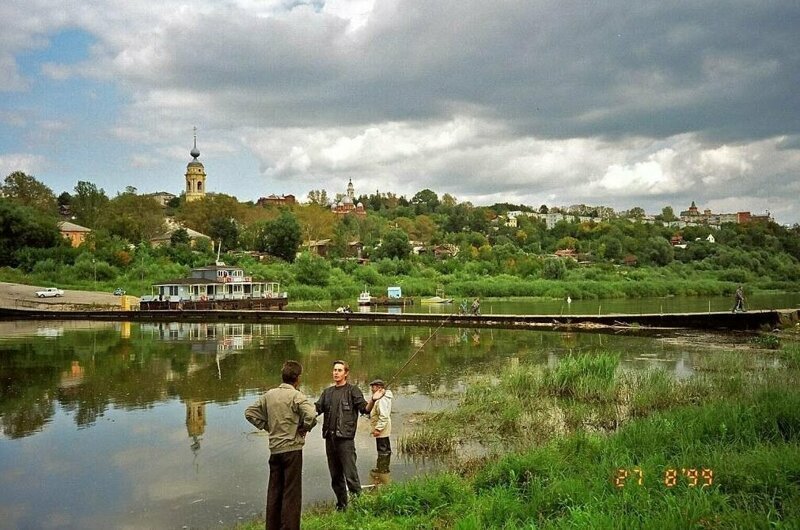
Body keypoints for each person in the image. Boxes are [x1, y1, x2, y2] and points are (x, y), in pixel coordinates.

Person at [244, 360, 317, 530]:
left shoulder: (269, 395)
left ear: (282, 376)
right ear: (297, 378)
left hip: (275, 450)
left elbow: (249, 413)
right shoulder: (296, 396)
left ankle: (272, 527)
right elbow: (312, 415)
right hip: (292, 449)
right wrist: (304, 428)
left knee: (274, 492)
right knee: (291, 493)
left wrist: (268, 426)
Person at [315, 360, 382, 510]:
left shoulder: (353, 390)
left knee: (350, 475)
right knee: (335, 477)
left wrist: (373, 400)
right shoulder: (327, 393)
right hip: (330, 440)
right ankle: (342, 506)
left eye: (339, 370)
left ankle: (360, 506)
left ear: (346, 373)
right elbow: (316, 409)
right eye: (334, 370)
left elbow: (365, 409)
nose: (336, 373)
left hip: (345, 441)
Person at [368, 379, 393, 457]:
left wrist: (378, 429)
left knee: (383, 452)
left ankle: (382, 467)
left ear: (379, 388)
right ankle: (384, 467)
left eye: (373, 387)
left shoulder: (382, 400)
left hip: (382, 429)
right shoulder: (381, 397)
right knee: (386, 449)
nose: (371, 389)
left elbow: (384, 416)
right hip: (383, 428)